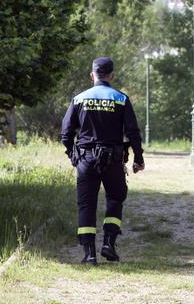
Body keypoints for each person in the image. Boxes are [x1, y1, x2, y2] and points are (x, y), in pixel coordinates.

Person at [61, 57, 145, 264]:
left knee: (86, 205)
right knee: (116, 199)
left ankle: (89, 254)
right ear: (112, 76)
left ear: (92, 75)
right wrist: (138, 159)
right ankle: (109, 243)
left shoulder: (79, 99)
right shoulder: (121, 99)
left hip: (85, 160)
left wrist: (73, 155)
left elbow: (66, 133)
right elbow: (133, 132)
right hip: (113, 160)